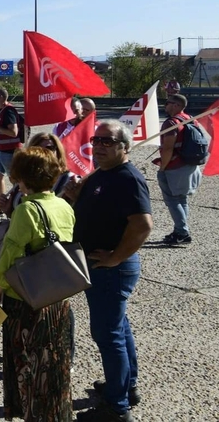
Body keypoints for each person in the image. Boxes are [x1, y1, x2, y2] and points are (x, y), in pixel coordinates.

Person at [64, 120, 152, 422]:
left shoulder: (128, 178)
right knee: (119, 328)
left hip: (111, 269)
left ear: (123, 147)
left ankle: (116, 408)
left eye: (107, 141)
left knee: (108, 333)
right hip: (100, 266)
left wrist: (116, 257)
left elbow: (142, 225)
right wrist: (77, 198)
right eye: (96, 139)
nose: (99, 145)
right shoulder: (103, 173)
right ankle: (126, 387)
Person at [0, 147, 75, 421]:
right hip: (56, 299)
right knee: (54, 363)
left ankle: (32, 415)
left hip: (25, 301)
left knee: (28, 366)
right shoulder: (63, 205)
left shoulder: (27, 210)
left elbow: (8, 259)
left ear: (24, 177)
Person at [154, 94, 202, 244]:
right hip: (189, 165)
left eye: (168, 103)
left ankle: (182, 232)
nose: (165, 105)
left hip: (174, 167)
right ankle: (180, 230)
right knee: (182, 199)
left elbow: (168, 148)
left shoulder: (171, 123)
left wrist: (162, 168)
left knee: (173, 200)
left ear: (176, 105)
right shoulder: (191, 119)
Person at [0, 88, 23, 203]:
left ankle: (19, 200)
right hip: (1, 151)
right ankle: (0, 204)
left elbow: (14, 132)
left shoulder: (8, 111)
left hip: (10, 151)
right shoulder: (2, 110)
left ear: (1, 97)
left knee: (14, 178)